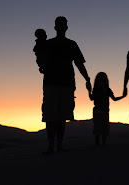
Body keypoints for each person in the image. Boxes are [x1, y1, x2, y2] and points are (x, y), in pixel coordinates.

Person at [39, 16, 92, 154]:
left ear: (65, 27)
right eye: (60, 25)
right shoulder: (50, 44)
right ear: (56, 27)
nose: (61, 27)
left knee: (60, 115)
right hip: (54, 83)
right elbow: (41, 62)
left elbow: (79, 63)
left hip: (63, 83)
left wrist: (87, 77)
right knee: (52, 116)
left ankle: (57, 145)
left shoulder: (69, 44)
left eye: (63, 25)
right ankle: (52, 145)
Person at [88, 72, 127, 147]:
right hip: (100, 111)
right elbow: (114, 99)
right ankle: (100, 144)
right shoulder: (102, 89)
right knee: (100, 128)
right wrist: (123, 96)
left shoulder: (99, 89)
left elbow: (91, 98)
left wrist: (89, 91)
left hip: (101, 111)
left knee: (101, 128)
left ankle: (101, 144)